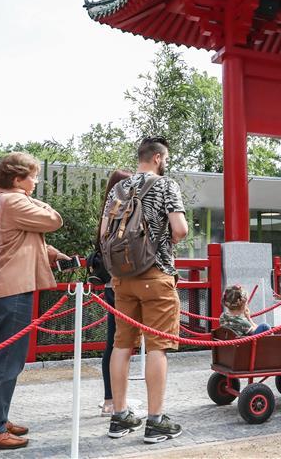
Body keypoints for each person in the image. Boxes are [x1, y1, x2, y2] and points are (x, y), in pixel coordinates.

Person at [0, 152, 70, 451]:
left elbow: (24, 238)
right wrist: (29, 197)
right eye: (33, 176)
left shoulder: (10, 203)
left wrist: (50, 253)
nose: (36, 181)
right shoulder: (14, 201)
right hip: (13, 290)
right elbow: (54, 220)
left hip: (5, 290)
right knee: (9, 361)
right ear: (17, 179)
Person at [105, 137, 188, 444]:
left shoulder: (118, 188)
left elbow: (104, 231)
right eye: (165, 158)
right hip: (156, 273)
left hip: (122, 277)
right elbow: (179, 229)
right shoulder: (166, 185)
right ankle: (155, 421)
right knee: (157, 346)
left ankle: (119, 416)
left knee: (122, 345)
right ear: (156, 158)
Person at [99, 169, 133, 416]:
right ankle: (114, 401)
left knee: (114, 343)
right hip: (121, 283)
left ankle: (112, 398)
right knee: (119, 344)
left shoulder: (105, 214)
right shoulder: (120, 212)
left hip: (111, 283)